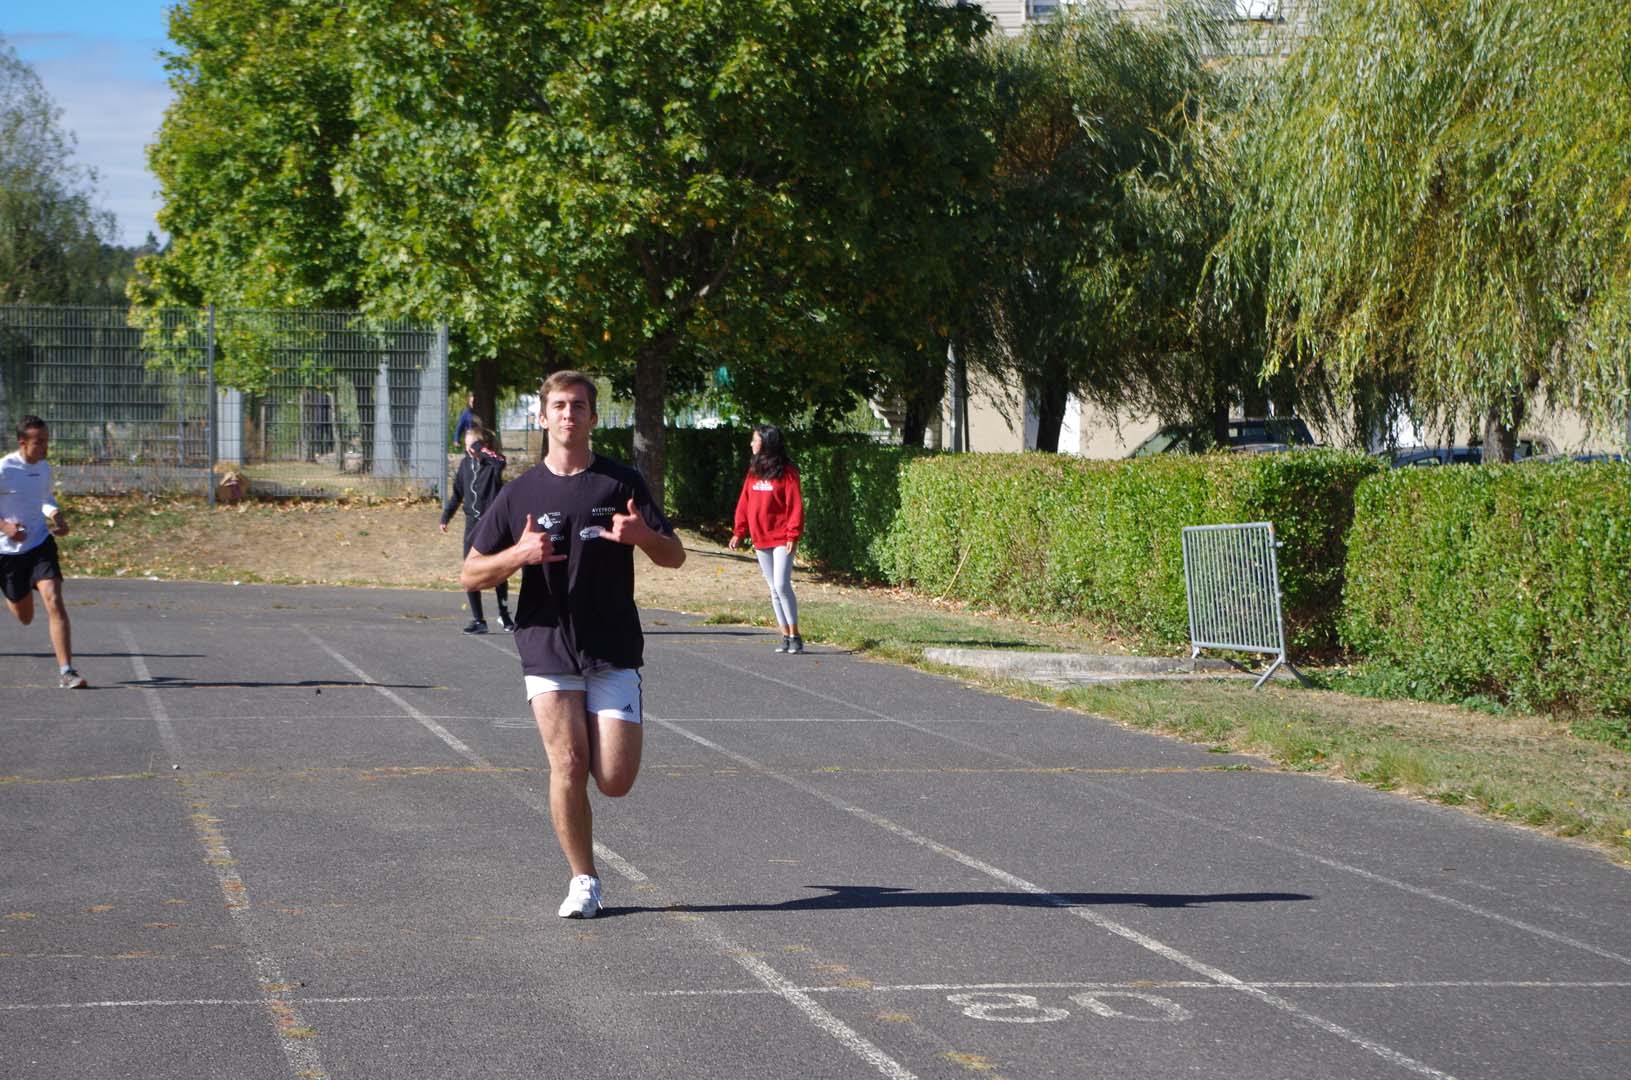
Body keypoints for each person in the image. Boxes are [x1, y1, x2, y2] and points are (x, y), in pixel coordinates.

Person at [461, 370, 686, 919]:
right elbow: (471, 573)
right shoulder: (520, 494)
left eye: (579, 406)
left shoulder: (621, 483)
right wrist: (519, 555)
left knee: (613, 779)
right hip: (546, 644)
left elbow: (674, 555)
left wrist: (643, 538)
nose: (568, 414)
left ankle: (589, 841)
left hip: (612, 646)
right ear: (542, 417)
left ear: (591, 416)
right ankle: (583, 879)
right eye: (558, 406)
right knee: (567, 762)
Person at [1, 416, 87, 688]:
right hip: (7, 552)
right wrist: (5, 526)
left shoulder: (44, 467)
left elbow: (45, 499)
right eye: (39, 443)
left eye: (47, 442)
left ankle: (67, 671)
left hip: (39, 544)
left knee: (54, 598)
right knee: (24, 616)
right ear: (23, 443)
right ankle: (13, 595)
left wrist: (57, 516)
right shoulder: (4, 468)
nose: (45, 448)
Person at [728, 424, 805, 654]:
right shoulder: (754, 471)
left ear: (767, 443)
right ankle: (784, 635)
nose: (751, 444)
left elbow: (795, 505)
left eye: (755, 440)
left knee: (782, 584)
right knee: (772, 588)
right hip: (760, 537)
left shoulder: (788, 471)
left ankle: (795, 635)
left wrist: (793, 533)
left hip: (782, 536)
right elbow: (745, 501)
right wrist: (739, 531)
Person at [440, 421, 513, 633]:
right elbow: (457, 495)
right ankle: (478, 620)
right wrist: (446, 516)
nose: (469, 448)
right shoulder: (464, 466)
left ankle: (504, 614)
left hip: (493, 524)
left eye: (473, 444)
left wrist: (481, 449)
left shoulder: (493, 465)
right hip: (472, 525)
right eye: (467, 444)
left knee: (498, 571)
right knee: (470, 571)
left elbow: (500, 462)